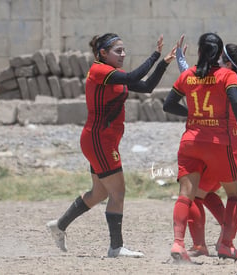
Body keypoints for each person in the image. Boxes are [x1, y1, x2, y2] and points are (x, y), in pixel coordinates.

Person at [46, 33, 176, 258]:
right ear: (102, 53)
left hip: (102, 140)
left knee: (98, 193)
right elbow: (136, 74)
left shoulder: (114, 76)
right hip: (99, 140)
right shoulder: (99, 71)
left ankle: (59, 225)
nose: (123, 54)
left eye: (124, 50)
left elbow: (145, 87)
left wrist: (164, 63)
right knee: (118, 192)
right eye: (118, 51)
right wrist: (155, 54)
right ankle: (116, 247)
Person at [173, 35, 237, 260]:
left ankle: (208, 243)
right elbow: (201, 79)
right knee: (206, 194)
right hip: (231, 147)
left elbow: (200, 81)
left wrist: (185, 65)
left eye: (220, 56)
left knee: (195, 195)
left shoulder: (228, 78)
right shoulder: (231, 78)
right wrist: (183, 63)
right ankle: (221, 240)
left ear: (224, 60)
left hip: (224, 145)